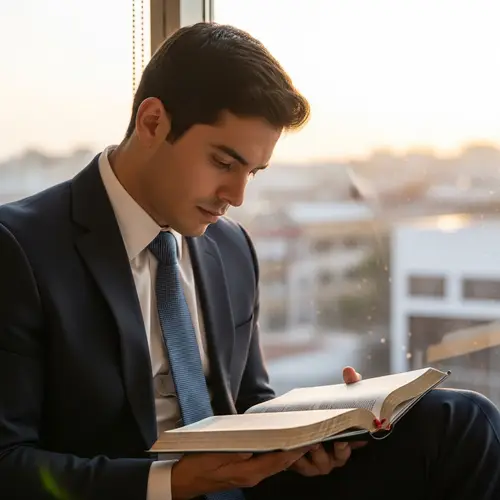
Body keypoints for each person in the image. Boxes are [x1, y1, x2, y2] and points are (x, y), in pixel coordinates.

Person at [0, 21, 500, 500]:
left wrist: (325, 425)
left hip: (241, 488)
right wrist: (173, 484)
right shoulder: (20, 247)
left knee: (462, 421)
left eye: (254, 173)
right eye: (223, 162)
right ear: (153, 122)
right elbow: (8, 462)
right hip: (132, 491)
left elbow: (248, 405)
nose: (236, 197)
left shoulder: (230, 247)